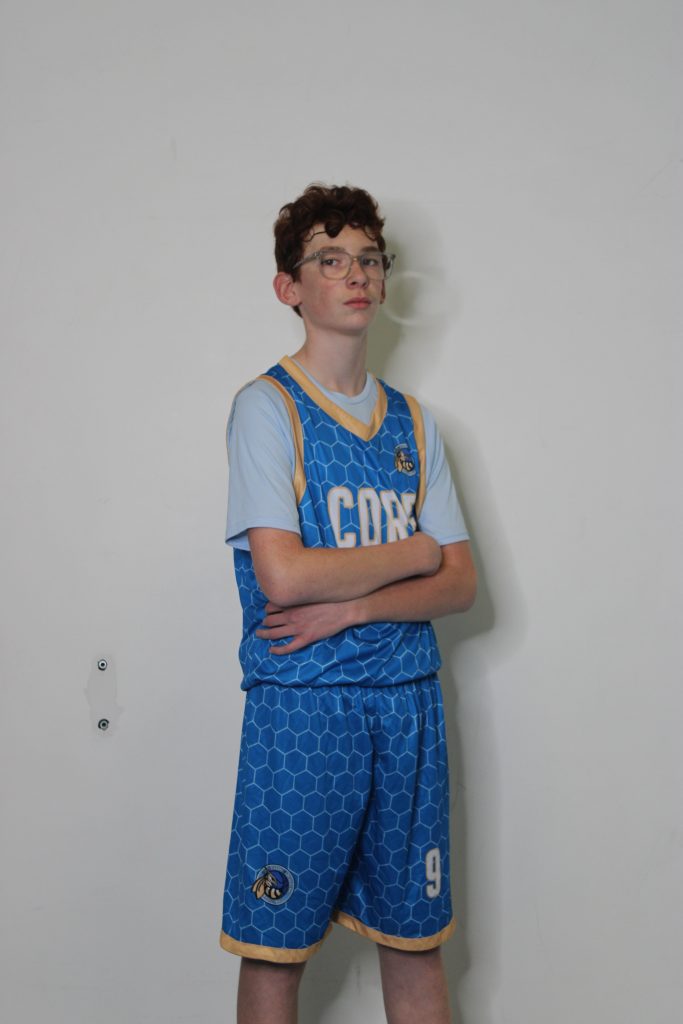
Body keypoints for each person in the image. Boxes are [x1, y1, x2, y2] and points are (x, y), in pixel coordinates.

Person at [220, 184, 477, 1024]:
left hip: (406, 703)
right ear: (289, 286)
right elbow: (284, 578)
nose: (355, 274)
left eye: (368, 259)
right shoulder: (267, 407)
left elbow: (461, 582)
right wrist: (411, 554)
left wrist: (354, 607)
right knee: (275, 947)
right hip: (305, 707)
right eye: (330, 260)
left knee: (415, 940)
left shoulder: (413, 423)